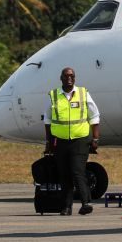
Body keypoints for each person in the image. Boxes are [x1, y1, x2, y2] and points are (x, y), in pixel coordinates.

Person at [44, 67, 100, 215]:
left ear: (75, 79)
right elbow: (48, 120)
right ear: (61, 78)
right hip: (60, 141)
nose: (69, 78)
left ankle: (86, 202)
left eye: (72, 76)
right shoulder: (54, 96)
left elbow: (95, 117)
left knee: (77, 171)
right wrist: (49, 143)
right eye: (66, 76)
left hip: (80, 140)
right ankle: (66, 207)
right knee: (64, 174)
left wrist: (95, 139)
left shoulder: (83, 94)